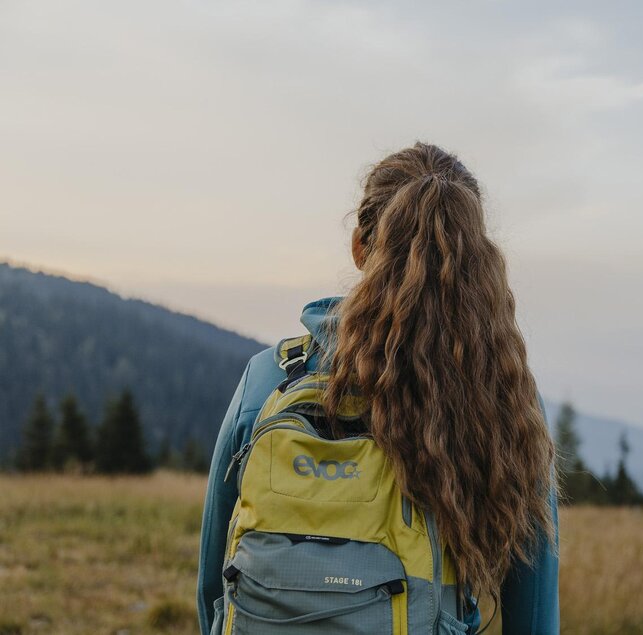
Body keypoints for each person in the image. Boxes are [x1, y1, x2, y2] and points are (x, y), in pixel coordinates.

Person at [196, 143, 559, 634]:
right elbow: (533, 617)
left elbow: (214, 588)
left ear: (359, 247)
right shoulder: (500, 394)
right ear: (478, 259)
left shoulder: (268, 378)